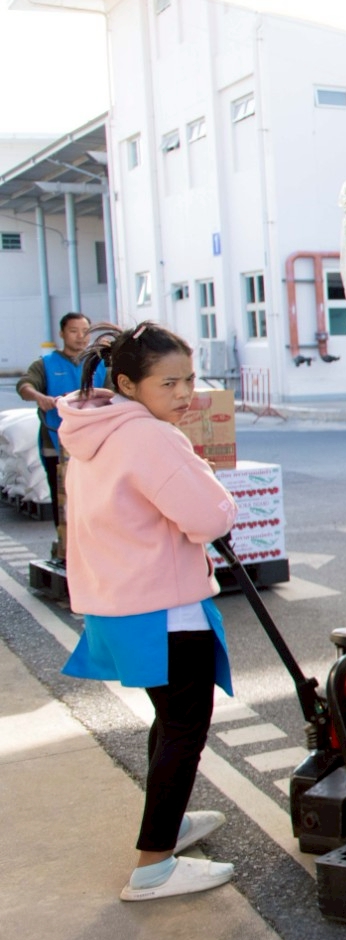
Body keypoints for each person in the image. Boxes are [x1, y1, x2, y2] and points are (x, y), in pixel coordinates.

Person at [59, 323, 240, 902]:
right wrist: (212, 486)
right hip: (163, 608)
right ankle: (154, 867)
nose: (185, 392)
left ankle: (167, 824)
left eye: (190, 378)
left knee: (168, 723)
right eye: (170, 382)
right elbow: (210, 519)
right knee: (185, 729)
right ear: (129, 384)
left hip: (121, 604)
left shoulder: (95, 431)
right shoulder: (151, 438)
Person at [13, 312, 102, 564]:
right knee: (63, 495)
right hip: (56, 442)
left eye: (85, 331)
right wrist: (39, 397)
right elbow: (25, 385)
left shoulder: (99, 363)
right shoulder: (46, 364)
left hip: (93, 443)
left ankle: (94, 548)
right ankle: (67, 548)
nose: (80, 337)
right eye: (74, 331)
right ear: (62, 334)